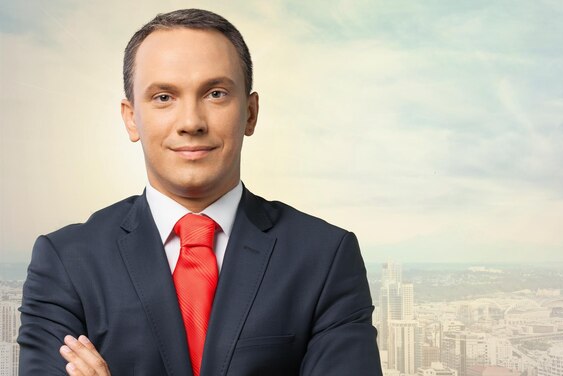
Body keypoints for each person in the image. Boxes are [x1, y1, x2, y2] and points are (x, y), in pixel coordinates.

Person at [17, 8, 382, 376]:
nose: (191, 122)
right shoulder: (67, 262)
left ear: (251, 113)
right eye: (163, 97)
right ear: (131, 118)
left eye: (216, 93)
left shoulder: (323, 257)